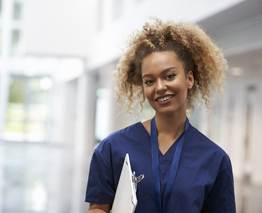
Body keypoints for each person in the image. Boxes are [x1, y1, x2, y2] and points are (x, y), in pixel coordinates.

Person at [85, 18, 236, 213]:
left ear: (189, 79)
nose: (160, 87)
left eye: (169, 76)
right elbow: (98, 207)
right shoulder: (112, 148)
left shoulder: (215, 160)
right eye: (149, 81)